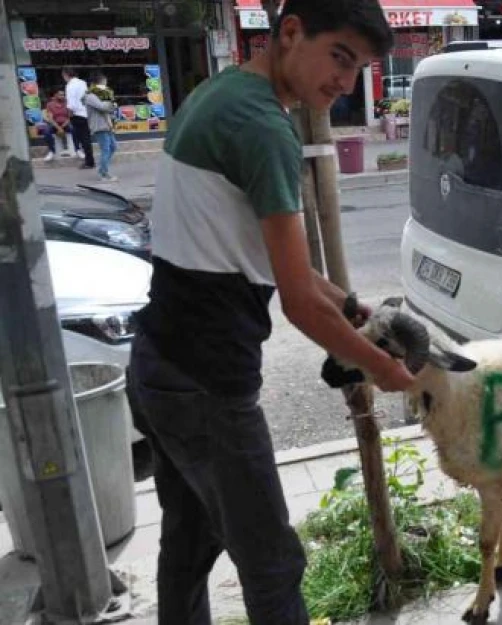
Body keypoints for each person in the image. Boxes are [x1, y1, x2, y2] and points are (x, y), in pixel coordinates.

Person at [125, 2, 407, 623]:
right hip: (207, 384)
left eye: (358, 68)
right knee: (274, 565)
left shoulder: (220, 94)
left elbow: (280, 267)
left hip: (157, 364)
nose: (345, 82)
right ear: (289, 32)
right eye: (339, 57)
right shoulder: (265, 129)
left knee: (189, 545)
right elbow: (302, 307)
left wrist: (356, 309)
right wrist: (383, 370)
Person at [83, 74, 119, 182]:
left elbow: (108, 107)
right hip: (99, 126)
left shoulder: (101, 95)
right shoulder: (90, 96)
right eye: (104, 83)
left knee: (113, 147)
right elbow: (103, 107)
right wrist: (112, 104)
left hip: (107, 125)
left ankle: (103, 170)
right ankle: (103, 173)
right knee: (106, 149)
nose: (105, 86)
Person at [63, 67, 96, 170]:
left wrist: (70, 116)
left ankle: (89, 162)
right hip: (85, 113)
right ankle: (90, 160)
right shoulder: (82, 83)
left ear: (66, 74)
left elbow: (71, 103)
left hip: (77, 114)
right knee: (87, 138)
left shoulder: (69, 85)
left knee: (82, 139)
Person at [40, 88, 73, 161]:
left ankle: (78, 149)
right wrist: (59, 128)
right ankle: (52, 151)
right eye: (60, 95)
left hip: (65, 124)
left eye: (63, 95)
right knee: (46, 131)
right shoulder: (50, 105)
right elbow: (50, 119)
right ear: (55, 95)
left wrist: (63, 126)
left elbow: (70, 117)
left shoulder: (67, 103)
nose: (62, 96)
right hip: (55, 125)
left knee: (75, 130)